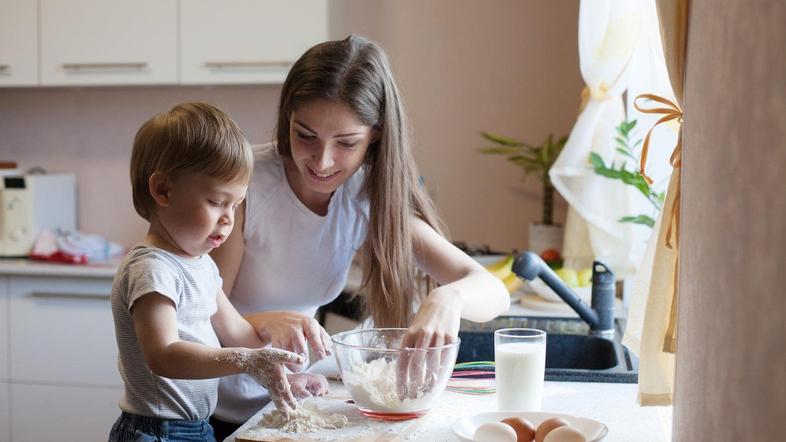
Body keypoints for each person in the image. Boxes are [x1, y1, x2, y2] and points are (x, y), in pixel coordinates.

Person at [208, 35, 510, 439]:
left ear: (376, 136)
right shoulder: (248, 184)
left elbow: (492, 290)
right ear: (288, 119)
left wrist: (448, 298)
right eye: (305, 135)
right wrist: (262, 322)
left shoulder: (363, 195)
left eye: (346, 143)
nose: (322, 161)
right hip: (219, 407)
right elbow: (200, 306)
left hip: (291, 401)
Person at [108, 102, 328, 442]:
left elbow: (240, 335)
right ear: (163, 190)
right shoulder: (151, 268)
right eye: (216, 202)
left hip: (197, 428)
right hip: (154, 432)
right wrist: (245, 360)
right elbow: (163, 355)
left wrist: (281, 376)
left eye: (236, 205)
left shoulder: (202, 266)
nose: (229, 219)